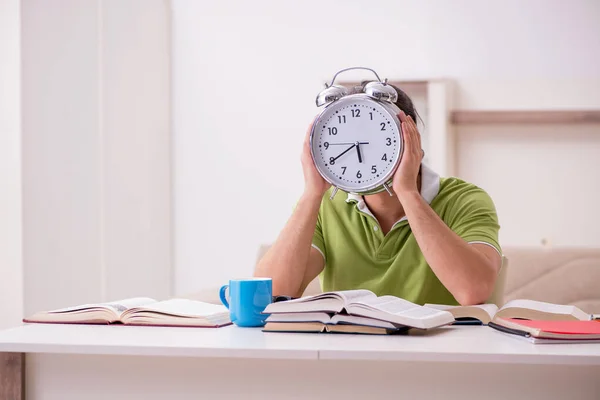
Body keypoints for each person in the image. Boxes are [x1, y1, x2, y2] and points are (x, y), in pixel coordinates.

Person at [255, 84, 502, 306]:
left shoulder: (464, 200)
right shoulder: (325, 205)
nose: (359, 147)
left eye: (381, 136)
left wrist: (408, 193)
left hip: (435, 353)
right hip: (351, 352)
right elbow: (269, 294)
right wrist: (311, 193)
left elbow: (473, 291)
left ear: (411, 139)